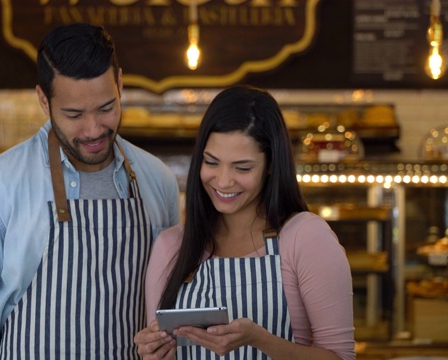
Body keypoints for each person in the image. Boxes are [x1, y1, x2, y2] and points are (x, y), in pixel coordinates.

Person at [0, 23, 181, 359]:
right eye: (74, 114)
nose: (93, 129)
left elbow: (164, 308)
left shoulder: (157, 181)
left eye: (106, 108)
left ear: (120, 84)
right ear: (43, 101)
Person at [134, 85, 355, 359]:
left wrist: (260, 340)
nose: (224, 181)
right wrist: (154, 354)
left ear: (271, 164)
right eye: (211, 162)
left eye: (242, 167)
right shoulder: (171, 247)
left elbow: (341, 357)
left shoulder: (305, 237)